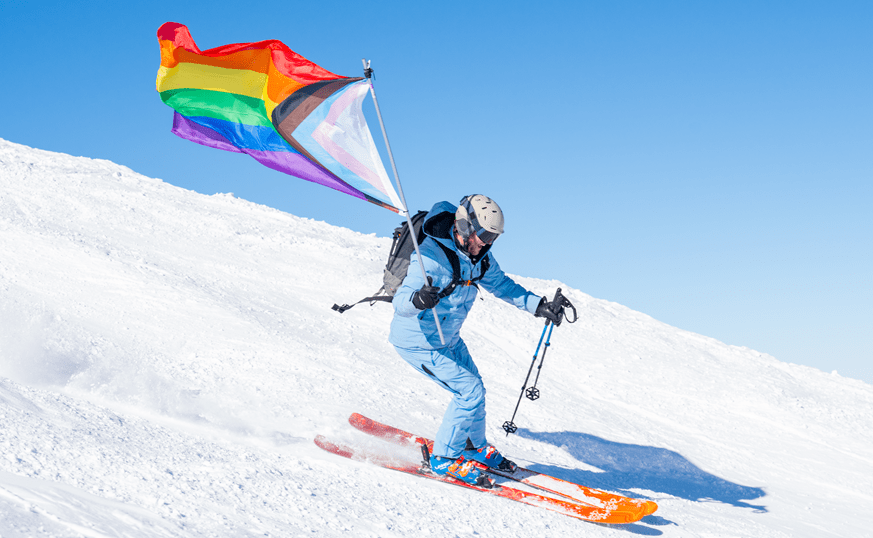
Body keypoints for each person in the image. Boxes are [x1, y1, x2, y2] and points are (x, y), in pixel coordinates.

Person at [388, 194, 562, 486]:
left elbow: (501, 285)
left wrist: (537, 305)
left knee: (476, 391)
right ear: (464, 226)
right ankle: (443, 459)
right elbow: (400, 303)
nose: (486, 242)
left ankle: (473, 446)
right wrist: (419, 299)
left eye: (492, 237)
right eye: (483, 235)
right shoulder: (429, 257)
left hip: (448, 338)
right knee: (469, 393)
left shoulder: (479, 257)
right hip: (418, 340)